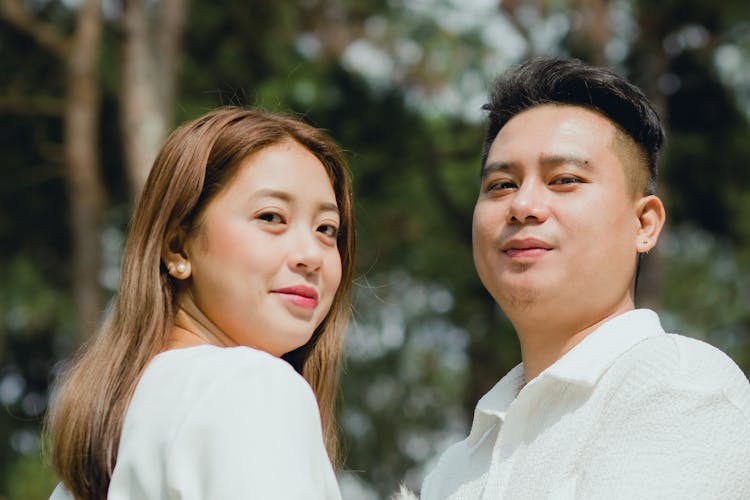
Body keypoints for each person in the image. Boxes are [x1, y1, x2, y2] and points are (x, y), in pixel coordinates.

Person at [420, 58, 750, 499]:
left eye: (565, 179)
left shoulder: (678, 387)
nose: (523, 205)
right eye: (501, 185)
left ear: (644, 224)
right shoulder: (456, 466)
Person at [46, 107, 354, 499]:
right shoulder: (251, 387)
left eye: (327, 229)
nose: (311, 253)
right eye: (271, 216)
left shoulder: (113, 440)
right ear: (177, 247)